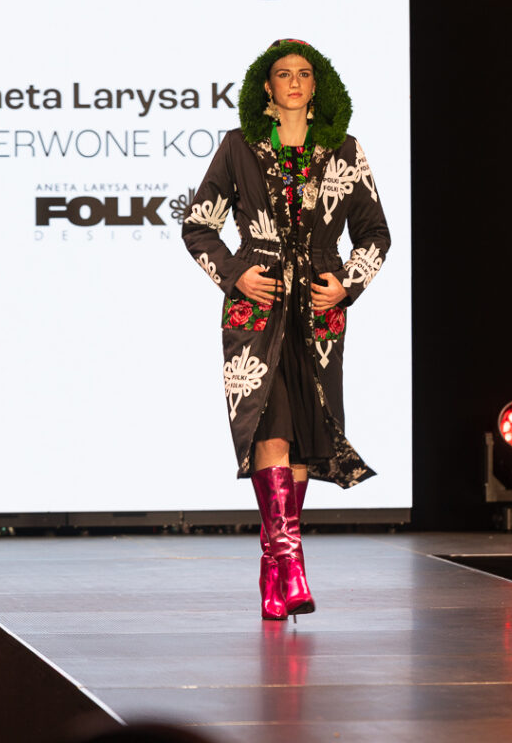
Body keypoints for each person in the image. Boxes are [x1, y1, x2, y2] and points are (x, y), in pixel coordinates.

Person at [182, 39, 390, 619]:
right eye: (283, 73)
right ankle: (294, 568)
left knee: (300, 437)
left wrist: (347, 283)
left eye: (304, 73)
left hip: (318, 310)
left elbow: (375, 233)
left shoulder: (344, 150)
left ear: (317, 85)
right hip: (258, 304)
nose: (294, 81)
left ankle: (274, 569)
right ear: (266, 87)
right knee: (268, 424)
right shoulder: (239, 147)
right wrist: (236, 275)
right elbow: (198, 226)